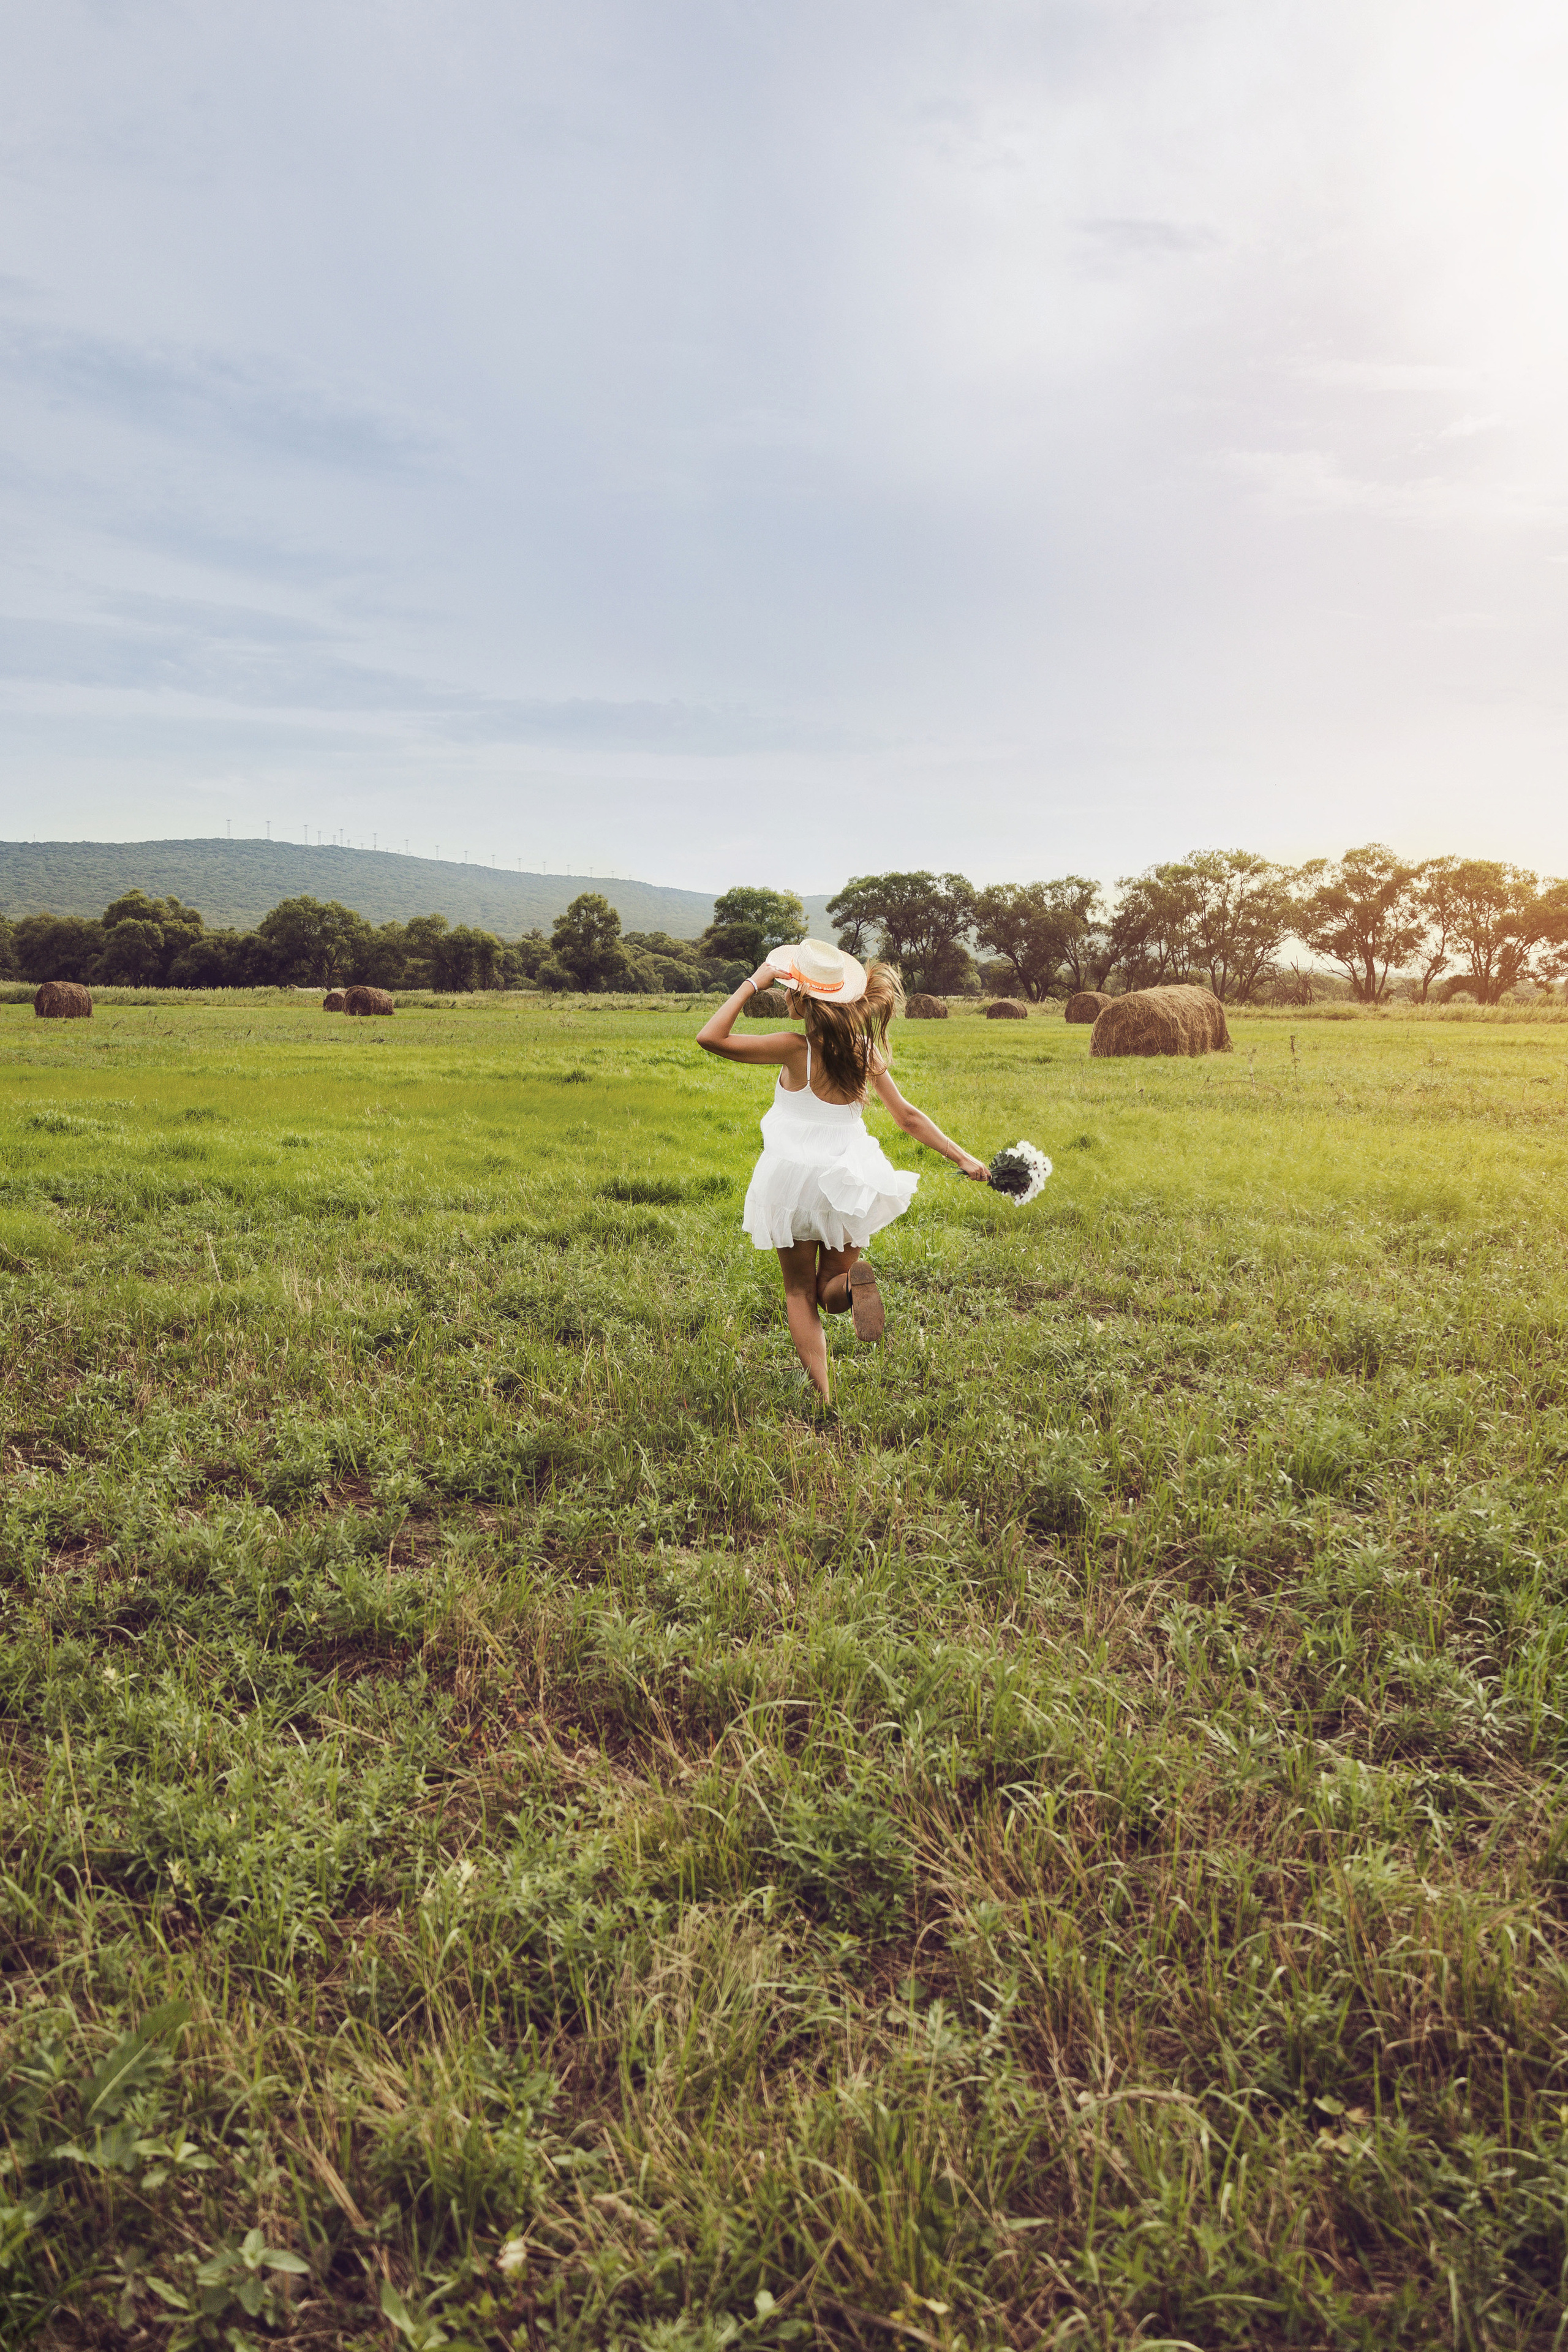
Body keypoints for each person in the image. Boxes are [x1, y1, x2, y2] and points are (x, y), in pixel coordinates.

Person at [698, 938, 990, 1400]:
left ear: (799, 999)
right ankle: (852, 1292)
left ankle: (825, 1394)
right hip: (850, 1179)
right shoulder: (863, 1050)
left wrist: (756, 982)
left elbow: (710, 1038)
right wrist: (963, 1156)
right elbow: (908, 1117)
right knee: (829, 1287)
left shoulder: (795, 1049)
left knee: (798, 1292)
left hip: (793, 1181)